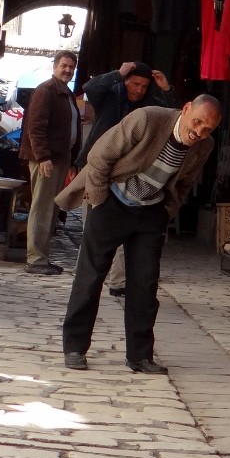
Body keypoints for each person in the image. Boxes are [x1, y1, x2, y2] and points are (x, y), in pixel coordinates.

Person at [54, 95, 222, 374]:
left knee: (145, 284)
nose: (199, 132)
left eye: (208, 129)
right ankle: (74, 347)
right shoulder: (147, 119)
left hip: (151, 211)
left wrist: (167, 211)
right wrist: (98, 200)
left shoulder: (205, 146)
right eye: (197, 122)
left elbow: (185, 183)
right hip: (112, 201)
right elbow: (99, 156)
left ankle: (140, 356)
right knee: (90, 275)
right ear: (186, 109)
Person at [75, 61, 180, 297]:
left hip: (128, 173)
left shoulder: (149, 105)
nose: (139, 90)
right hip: (98, 167)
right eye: (135, 84)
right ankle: (85, 278)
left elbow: (176, 119)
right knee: (92, 224)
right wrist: (117, 73)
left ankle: (118, 281)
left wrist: (166, 90)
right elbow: (90, 88)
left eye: (144, 86)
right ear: (126, 81)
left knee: (124, 223)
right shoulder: (110, 96)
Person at [18, 50, 80, 275]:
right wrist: (43, 157)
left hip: (60, 159)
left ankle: (41, 257)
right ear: (55, 67)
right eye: (64, 65)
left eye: (71, 67)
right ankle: (35, 259)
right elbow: (35, 127)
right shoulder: (46, 90)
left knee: (51, 209)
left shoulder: (66, 93)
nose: (68, 70)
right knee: (42, 208)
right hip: (47, 160)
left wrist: (73, 160)